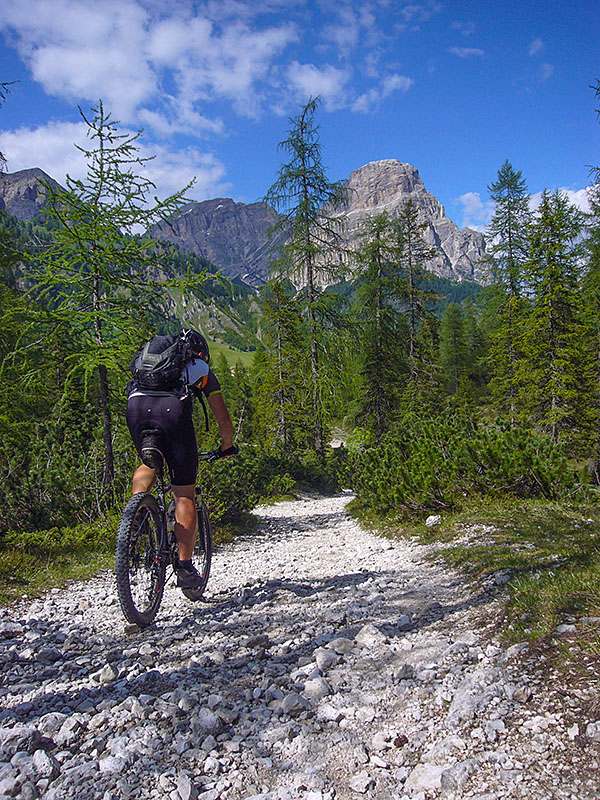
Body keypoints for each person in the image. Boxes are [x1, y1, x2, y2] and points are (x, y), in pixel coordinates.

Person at [126, 329, 238, 591]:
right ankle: (185, 567)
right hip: (171, 413)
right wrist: (227, 445)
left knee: (149, 462)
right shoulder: (198, 368)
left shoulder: (146, 365)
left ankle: (136, 515)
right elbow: (222, 418)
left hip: (136, 410)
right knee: (184, 494)